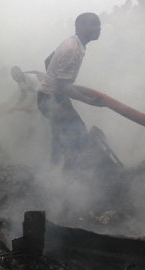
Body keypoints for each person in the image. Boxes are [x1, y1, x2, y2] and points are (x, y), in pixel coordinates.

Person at [37, 12, 103, 169]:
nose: (99, 29)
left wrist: (53, 78)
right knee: (77, 136)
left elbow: (48, 61)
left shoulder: (73, 43)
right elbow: (63, 87)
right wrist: (89, 101)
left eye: (99, 25)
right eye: (94, 25)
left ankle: (53, 173)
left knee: (61, 136)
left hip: (51, 97)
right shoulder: (72, 49)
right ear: (79, 27)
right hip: (51, 99)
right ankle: (69, 177)